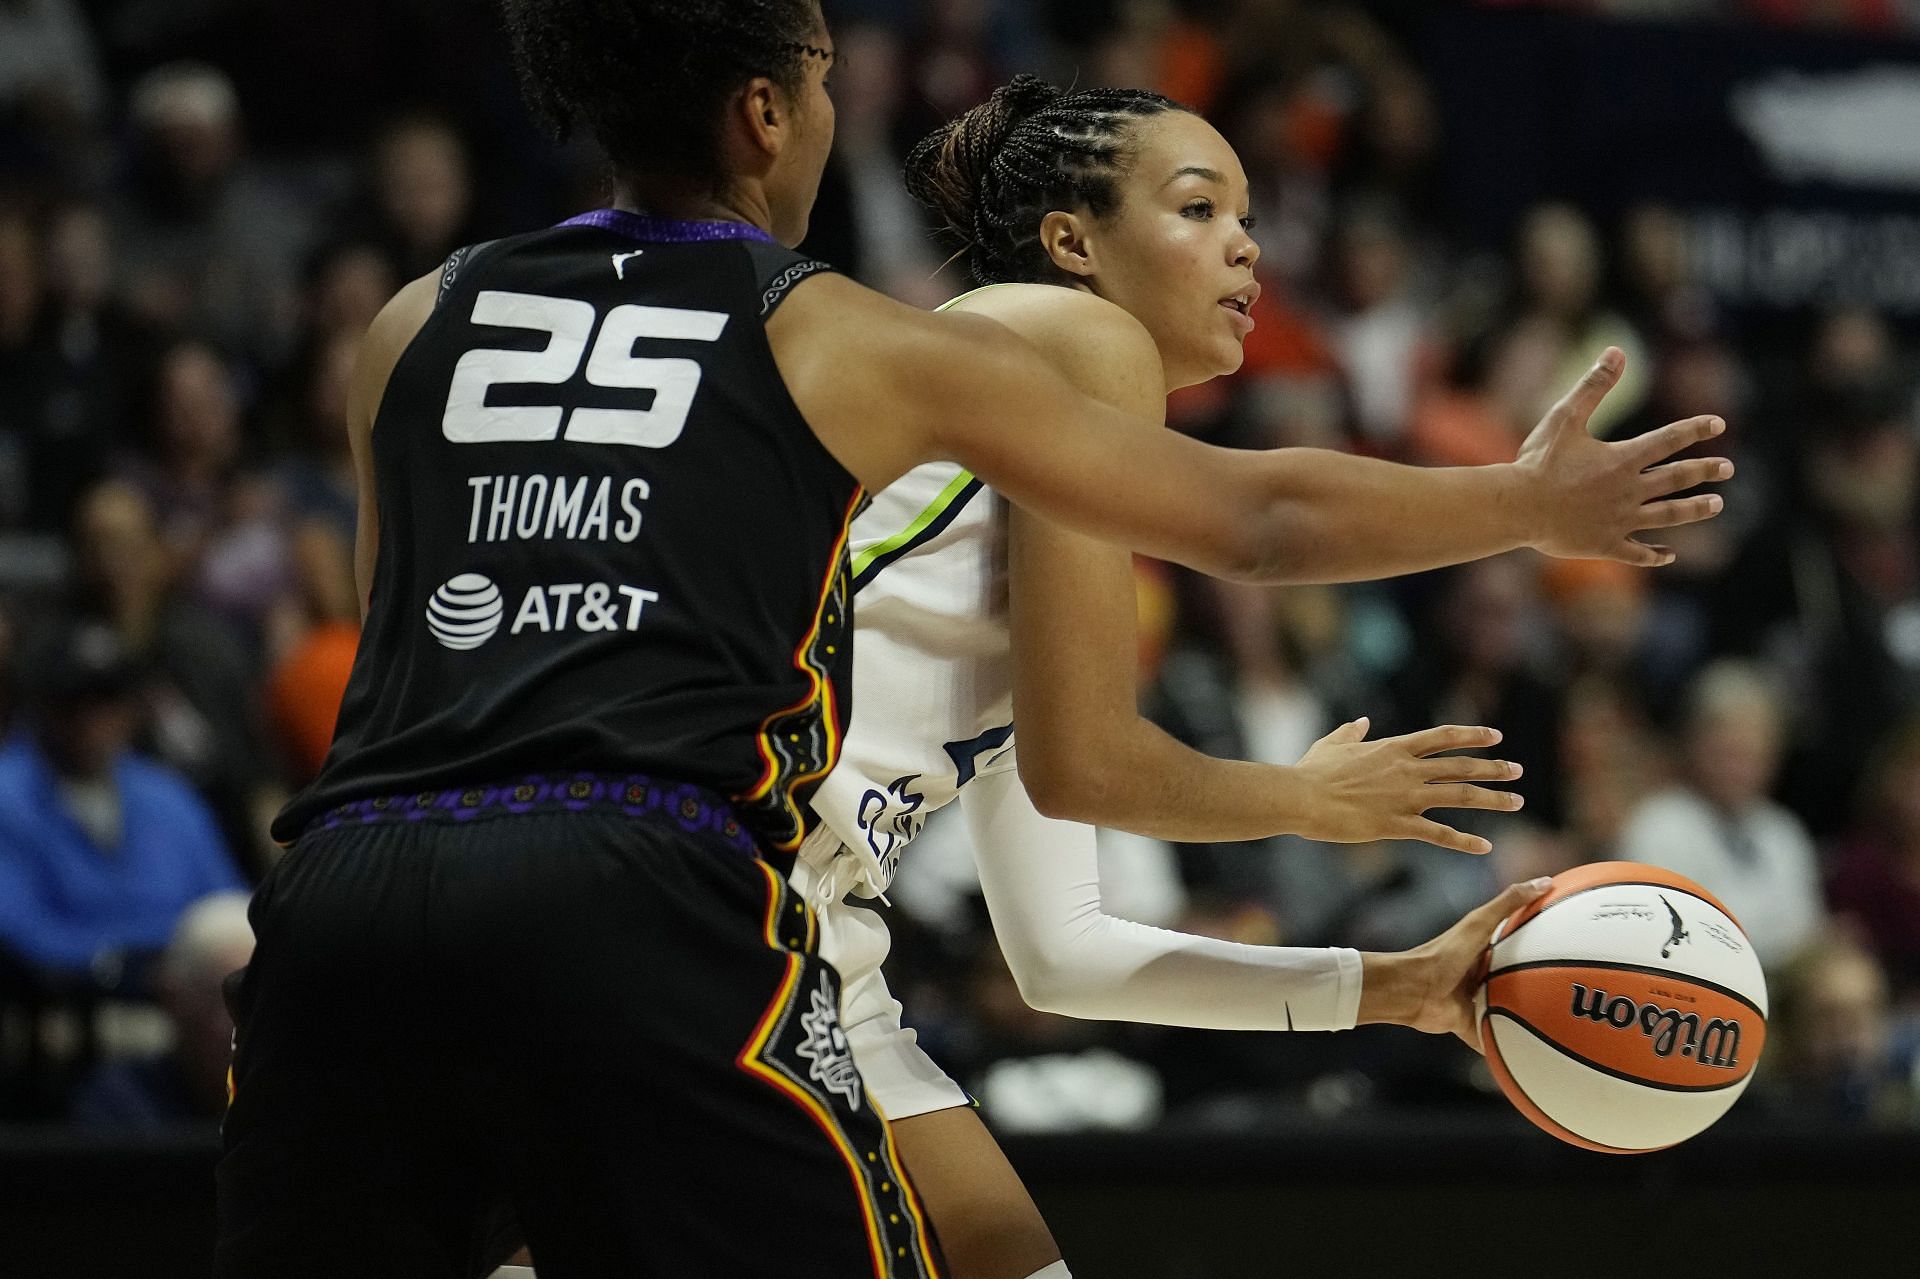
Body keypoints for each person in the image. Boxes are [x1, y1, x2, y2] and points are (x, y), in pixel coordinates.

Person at [219, 5, 1731, 1276]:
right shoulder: (947, 337)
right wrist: (1523, 506)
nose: (1246, 252)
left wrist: (1387, 987)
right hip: (675, 894)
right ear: (764, 111)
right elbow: (1240, 546)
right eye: (1202, 208)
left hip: (365, 887)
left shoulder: (417, 315)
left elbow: (1060, 948)